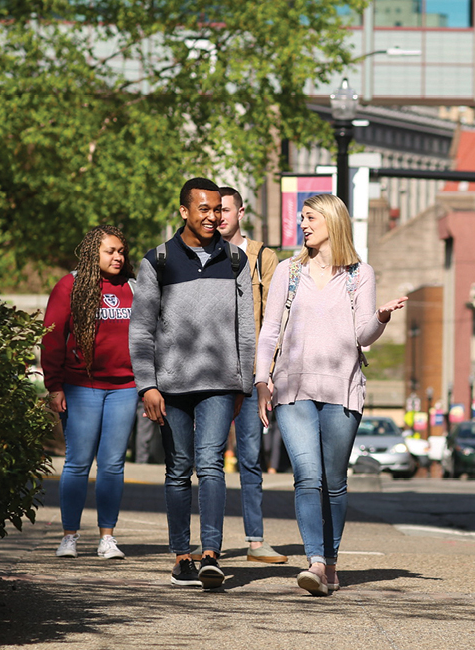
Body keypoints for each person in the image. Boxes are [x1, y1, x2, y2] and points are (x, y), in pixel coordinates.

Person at [255, 194, 407, 596]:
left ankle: (332, 564)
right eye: (301, 218)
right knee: (307, 477)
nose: (303, 224)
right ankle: (316, 562)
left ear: (332, 221)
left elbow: (362, 335)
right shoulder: (288, 272)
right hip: (292, 387)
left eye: (310, 218)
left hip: (342, 388)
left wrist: (381, 318)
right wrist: (260, 381)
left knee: (334, 482)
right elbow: (270, 331)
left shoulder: (360, 274)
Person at [130, 177, 256, 590]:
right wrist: (146, 385)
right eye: (204, 209)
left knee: (211, 465)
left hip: (220, 383)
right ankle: (181, 555)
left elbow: (245, 328)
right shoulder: (159, 261)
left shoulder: (236, 259)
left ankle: (210, 555)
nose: (213, 216)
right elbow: (142, 329)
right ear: (184, 211)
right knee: (178, 469)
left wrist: (244, 384)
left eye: (218, 209)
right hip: (170, 386)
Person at [194, 185, 286, 563]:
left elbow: (278, 316)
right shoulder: (201, 255)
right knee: (207, 458)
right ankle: (208, 544)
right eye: (215, 211)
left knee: (249, 456)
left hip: (250, 374)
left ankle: (255, 540)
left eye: (226, 210)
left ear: (240, 212)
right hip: (211, 373)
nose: (219, 217)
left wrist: (269, 370)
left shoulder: (263, 257)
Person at [42, 225, 137, 560]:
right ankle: (70, 536)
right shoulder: (69, 285)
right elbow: (52, 337)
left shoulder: (132, 286)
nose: (118, 257)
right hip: (81, 387)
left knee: (112, 465)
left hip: (125, 388)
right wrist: (53, 385)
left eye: (121, 252)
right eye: (110, 251)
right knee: (78, 464)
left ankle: (107, 538)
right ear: (93, 252)